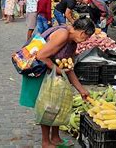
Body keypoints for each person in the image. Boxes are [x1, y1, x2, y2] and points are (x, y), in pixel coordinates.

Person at [20, 17, 94, 148]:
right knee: (48, 106)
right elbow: (41, 56)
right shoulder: (63, 34)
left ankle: (55, 137)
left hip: (55, 75)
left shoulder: (72, 42)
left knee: (58, 104)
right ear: (83, 33)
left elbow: (69, 69)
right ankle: (45, 142)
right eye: (87, 37)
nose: (86, 41)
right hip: (42, 73)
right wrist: (59, 70)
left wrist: (81, 90)